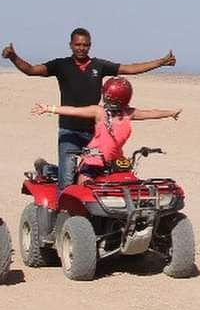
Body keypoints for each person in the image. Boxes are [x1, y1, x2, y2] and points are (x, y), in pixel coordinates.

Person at [4, 29, 175, 191]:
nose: (81, 48)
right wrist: (13, 57)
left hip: (94, 133)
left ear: (90, 45)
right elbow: (31, 70)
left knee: (99, 176)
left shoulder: (98, 65)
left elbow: (129, 69)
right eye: (78, 44)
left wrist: (160, 62)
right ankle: (48, 174)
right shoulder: (61, 65)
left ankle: (48, 169)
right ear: (71, 45)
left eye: (85, 45)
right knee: (66, 183)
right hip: (69, 132)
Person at [30, 77, 181, 180]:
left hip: (117, 162)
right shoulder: (99, 112)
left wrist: (170, 113)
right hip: (93, 161)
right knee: (79, 189)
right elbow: (74, 111)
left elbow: (151, 113)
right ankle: (46, 168)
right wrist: (49, 108)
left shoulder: (128, 113)